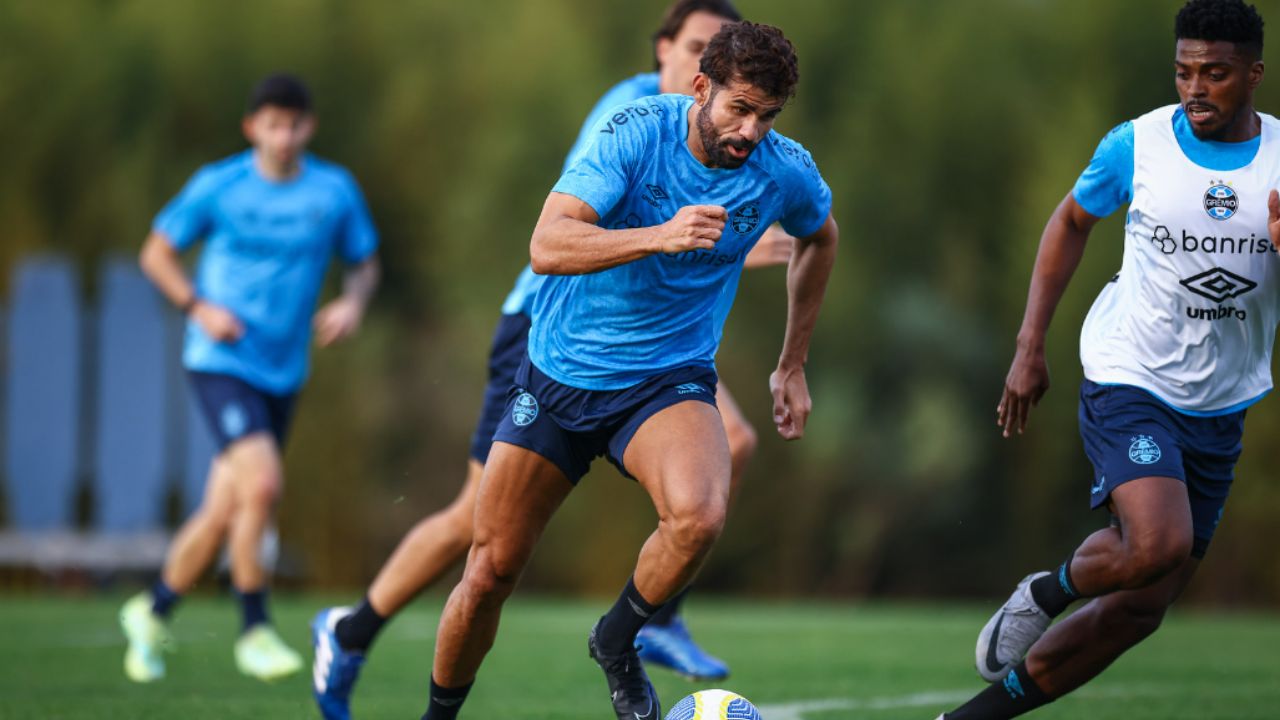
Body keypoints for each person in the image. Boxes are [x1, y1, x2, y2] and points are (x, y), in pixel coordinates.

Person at [310, 2, 796, 718]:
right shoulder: (629, 114)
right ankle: (352, 628)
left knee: (726, 457)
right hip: (545, 322)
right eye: (693, 48)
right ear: (680, 62)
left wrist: (744, 264)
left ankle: (647, 622)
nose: (697, 63)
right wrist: (686, 236)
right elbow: (573, 230)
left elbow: (758, 217)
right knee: (478, 531)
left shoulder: (739, 143)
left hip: (652, 344)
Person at [419, 21, 836, 720]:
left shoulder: (784, 169)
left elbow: (820, 237)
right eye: (740, 109)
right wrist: (661, 235)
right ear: (700, 88)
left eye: (767, 116)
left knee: (699, 516)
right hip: (557, 376)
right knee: (489, 573)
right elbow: (548, 244)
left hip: (665, 378)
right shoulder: (634, 131)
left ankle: (617, 640)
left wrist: (791, 363)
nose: (752, 132)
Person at [940, 1, 1276, 717]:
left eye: (1214, 74)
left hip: (1221, 405)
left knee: (1140, 610)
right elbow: (1069, 221)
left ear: (1254, 73)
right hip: (1132, 374)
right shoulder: (1137, 144)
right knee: (1157, 543)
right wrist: (1029, 346)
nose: (1195, 88)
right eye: (1184, 71)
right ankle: (1046, 591)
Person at [120, 73, 380, 684]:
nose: (283, 136)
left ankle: (152, 612)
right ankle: (255, 630)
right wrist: (199, 307)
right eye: (272, 124)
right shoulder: (220, 186)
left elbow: (364, 262)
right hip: (219, 359)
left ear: (308, 128)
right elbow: (155, 253)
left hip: (282, 369)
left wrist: (353, 304)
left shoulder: (333, 191)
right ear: (252, 128)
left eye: (294, 124)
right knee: (261, 486)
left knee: (224, 509)